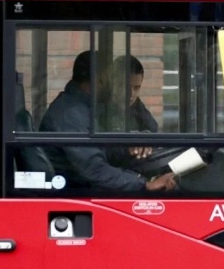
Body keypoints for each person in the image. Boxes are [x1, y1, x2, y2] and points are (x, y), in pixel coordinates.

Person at [39, 50, 175, 192]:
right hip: (76, 190)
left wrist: (128, 147)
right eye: (111, 78)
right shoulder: (70, 114)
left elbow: (103, 150)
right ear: (101, 78)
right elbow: (94, 169)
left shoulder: (85, 107)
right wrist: (144, 184)